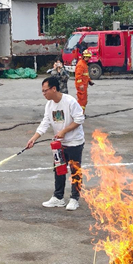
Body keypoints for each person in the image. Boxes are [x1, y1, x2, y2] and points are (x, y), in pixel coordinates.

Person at [26, 76, 85, 211]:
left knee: (75, 170)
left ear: (54, 88)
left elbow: (80, 119)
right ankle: (58, 197)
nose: (44, 94)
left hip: (74, 142)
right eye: (42, 91)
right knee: (59, 169)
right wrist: (33, 139)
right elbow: (45, 123)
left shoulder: (69, 101)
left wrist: (64, 131)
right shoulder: (49, 105)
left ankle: (74, 199)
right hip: (59, 144)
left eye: (45, 90)